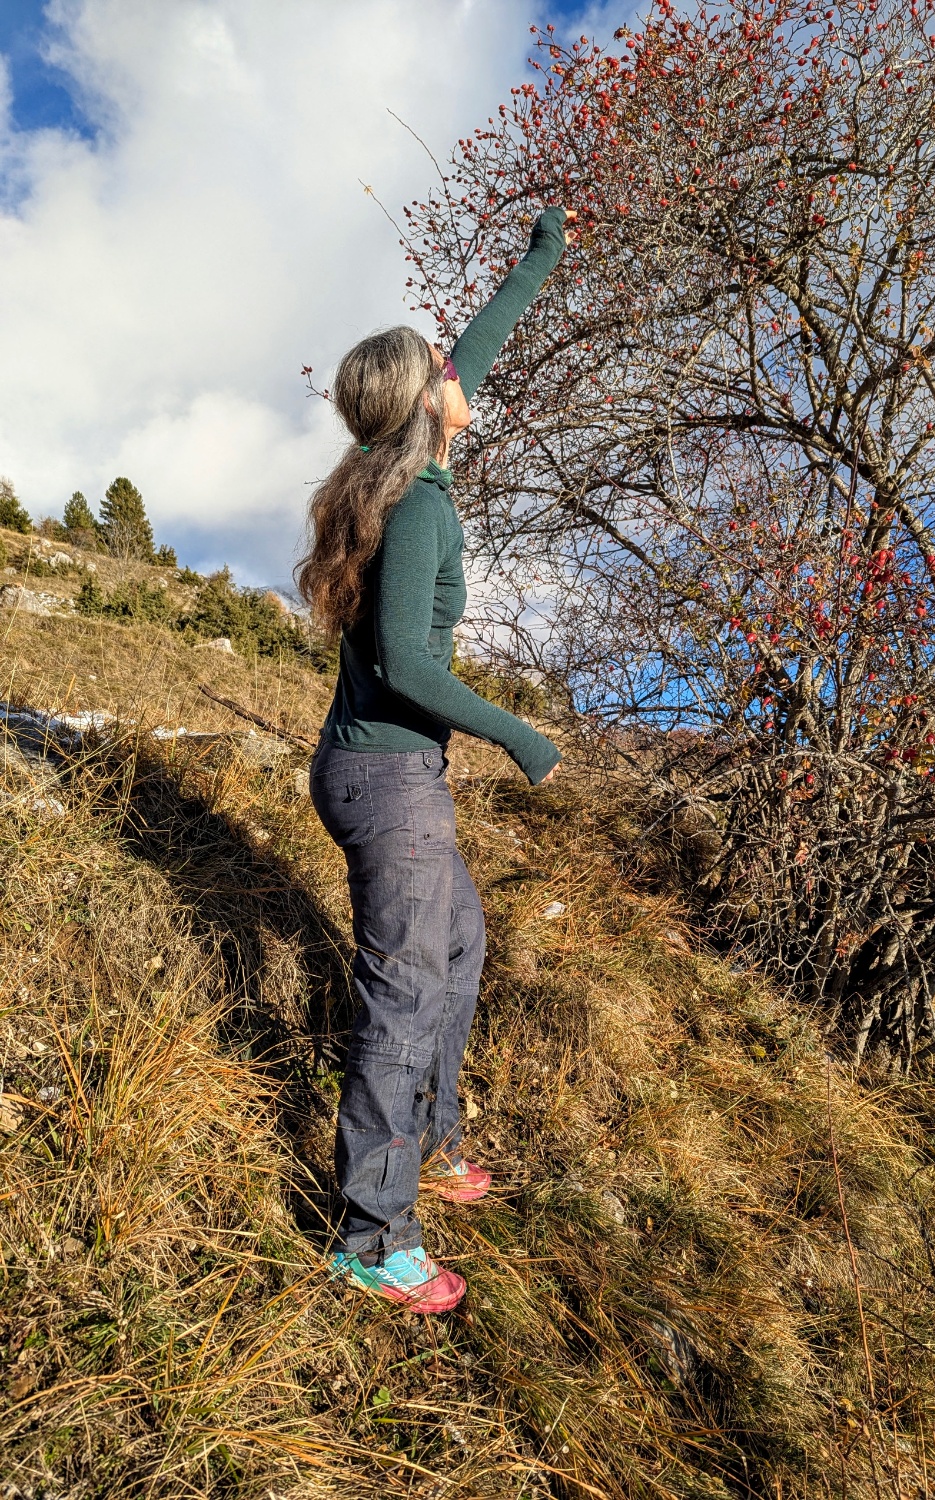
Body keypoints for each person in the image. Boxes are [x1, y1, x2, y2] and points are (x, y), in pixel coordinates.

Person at [296, 206, 576, 1313]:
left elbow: (479, 338)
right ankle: (371, 1234)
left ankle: (428, 1136)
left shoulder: (401, 471)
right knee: (404, 993)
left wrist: (541, 258)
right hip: (388, 781)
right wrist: (517, 733)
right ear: (425, 403)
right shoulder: (415, 511)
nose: (464, 372)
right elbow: (410, 665)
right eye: (442, 369)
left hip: (379, 773)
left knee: (458, 943)